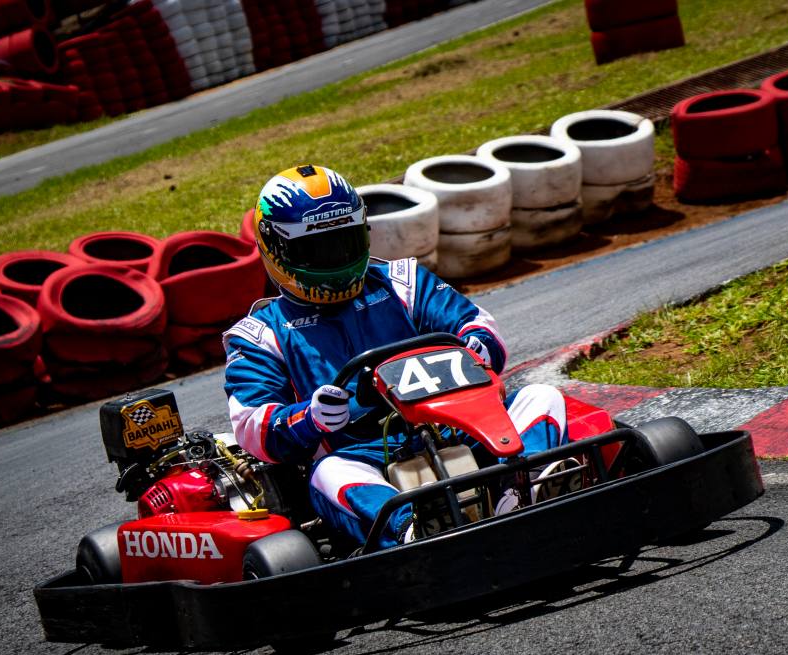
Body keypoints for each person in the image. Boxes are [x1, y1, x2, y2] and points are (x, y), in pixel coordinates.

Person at [224, 164, 577, 551]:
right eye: (318, 249)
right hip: (364, 453)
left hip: (459, 425)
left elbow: (474, 322)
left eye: (343, 241)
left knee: (541, 396)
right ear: (277, 249)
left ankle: (526, 486)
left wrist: (477, 345)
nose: (336, 258)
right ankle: (414, 528)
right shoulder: (261, 334)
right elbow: (252, 423)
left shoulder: (403, 282)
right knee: (330, 473)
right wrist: (309, 418)